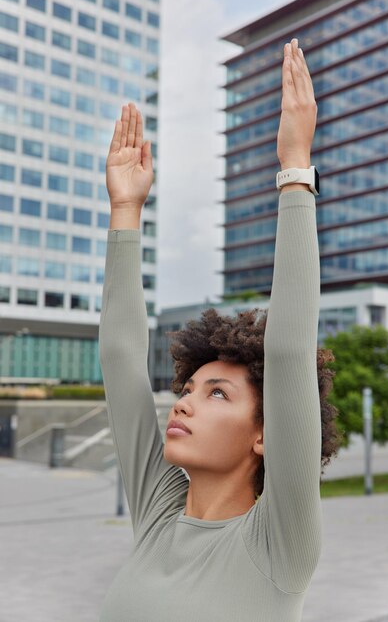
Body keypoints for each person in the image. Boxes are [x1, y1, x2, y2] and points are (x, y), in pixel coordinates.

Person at [98, 38, 342, 622]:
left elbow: (286, 352)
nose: (182, 404)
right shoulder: (159, 511)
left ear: (265, 434)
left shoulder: (280, 543)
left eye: (217, 394)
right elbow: (122, 360)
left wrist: (295, 169)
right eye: (189, 389)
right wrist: (125, 209)